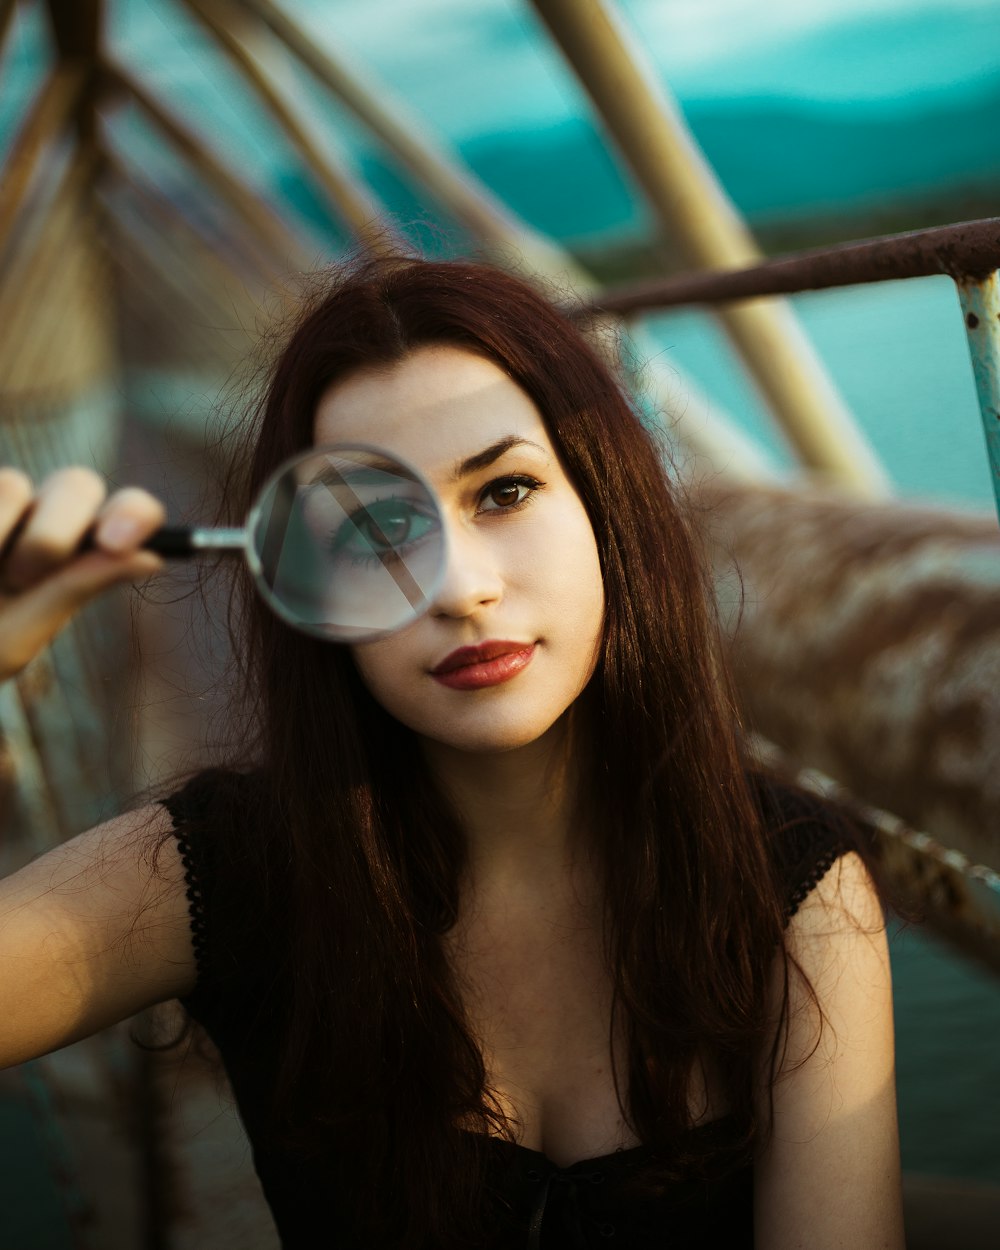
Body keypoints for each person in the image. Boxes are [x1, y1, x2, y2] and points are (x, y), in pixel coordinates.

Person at [0, 255, 904, 1249]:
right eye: (376, 527)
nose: (458, 585)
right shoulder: (230, 869)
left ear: (608, 510)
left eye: (505, 489)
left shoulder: (785, 883)